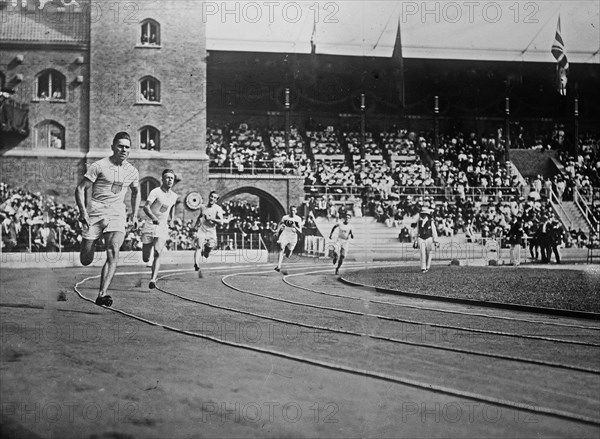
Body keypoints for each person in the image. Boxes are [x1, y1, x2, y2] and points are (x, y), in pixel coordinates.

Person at [75, 132, 140, 307]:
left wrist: (134, 214)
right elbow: (80, 189)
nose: (123, 150)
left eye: (127, 147)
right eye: (120, 146)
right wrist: (82, 211)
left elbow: (136, 191)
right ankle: (92, 242)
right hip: (96, 212)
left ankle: (102, 294)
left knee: (113, 251)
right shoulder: (99, 166)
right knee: (85, 260)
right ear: (113, 147)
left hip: (117, 214)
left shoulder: (132, 171)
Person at [141, 169, 178, 289]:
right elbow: (146, 207)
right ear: (162, 179)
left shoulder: (174, 196)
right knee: (146, 257)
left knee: (158, 251)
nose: (170, 180)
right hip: (150, 224)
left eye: (172, 178)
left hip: (162, 226)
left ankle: (153, 279)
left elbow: (172, 207)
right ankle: (146, 256)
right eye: (167, 177)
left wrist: (172, 219)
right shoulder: (155, 192)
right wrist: (153, 217)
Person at [193, 191, 228, 274]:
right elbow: (200, 216)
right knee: (198, 247)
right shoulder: (202, 207)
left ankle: (206, 251)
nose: (212, 199)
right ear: (209, 197)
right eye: (211, 196)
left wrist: (211, 219)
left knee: (207, 252)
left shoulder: (218, 209)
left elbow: (221, 222)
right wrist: (195, 225)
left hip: (211, 231)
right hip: (202, 229)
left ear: (216, 200)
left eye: (215, 198)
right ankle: (196, 264)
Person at [274, 205, 302, 273]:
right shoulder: (285, 217)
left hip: (293, 236)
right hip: (285, 234)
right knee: (281, 248)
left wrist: (295, 226)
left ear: (296, 211)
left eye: (294, 210)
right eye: (291, 210)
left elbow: (300, 231)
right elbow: (280, 224)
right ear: (289, 210)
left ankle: (286, 254)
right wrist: (277, 231)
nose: (292, 212)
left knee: (288, 254)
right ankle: (279, 266)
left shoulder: (298, 219)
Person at [415, 207, 439, 273]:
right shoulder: (419, 222)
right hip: (421, 238)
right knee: (422, 253)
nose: (423, 215)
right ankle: (423, 267)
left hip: (429, 238)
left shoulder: (430, 222)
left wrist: (436, 240)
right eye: (422, 214)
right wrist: (416, 240)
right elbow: (417, 231)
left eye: (424, 214)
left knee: (429, 253)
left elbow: (434, 231)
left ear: (427, 215)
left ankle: (427, 266)